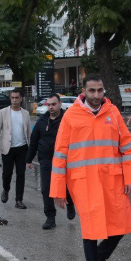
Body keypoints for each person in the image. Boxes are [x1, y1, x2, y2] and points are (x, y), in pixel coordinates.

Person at [50, 74, 131, 261]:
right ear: (83, 91)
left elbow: (127, 147)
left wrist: (130, 177)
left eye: (100, 90)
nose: (97, 95)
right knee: (90, 231)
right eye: (92, 91)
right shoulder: (71, 116)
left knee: (121, 225)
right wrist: (58, 190)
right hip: (84, 184)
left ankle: (100, 256)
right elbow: (60, 154)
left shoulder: (113, 113)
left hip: (113, 181)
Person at [26, 94, 75, 230]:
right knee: (46, 189)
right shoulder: (41, 121)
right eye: (49, 105)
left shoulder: (67, 120)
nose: (51, 107)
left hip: (64, 160)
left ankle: (70, 203)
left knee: (66, 187)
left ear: (60, 104)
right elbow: (34, 141)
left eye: (54, 104)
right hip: (46, 160)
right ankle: (50, 217)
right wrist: (29, 159)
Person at [0, 89, 30, 208]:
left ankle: (19, 200)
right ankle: (6, 189)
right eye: (12, 97)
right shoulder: (3, 112)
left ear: (21, 98)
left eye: (16, 97)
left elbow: (28, 132)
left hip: (22, 148)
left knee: (21, 174)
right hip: (7, 148)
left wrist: (30, 150)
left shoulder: (26, 113)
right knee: (7, 173)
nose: (14, 100)